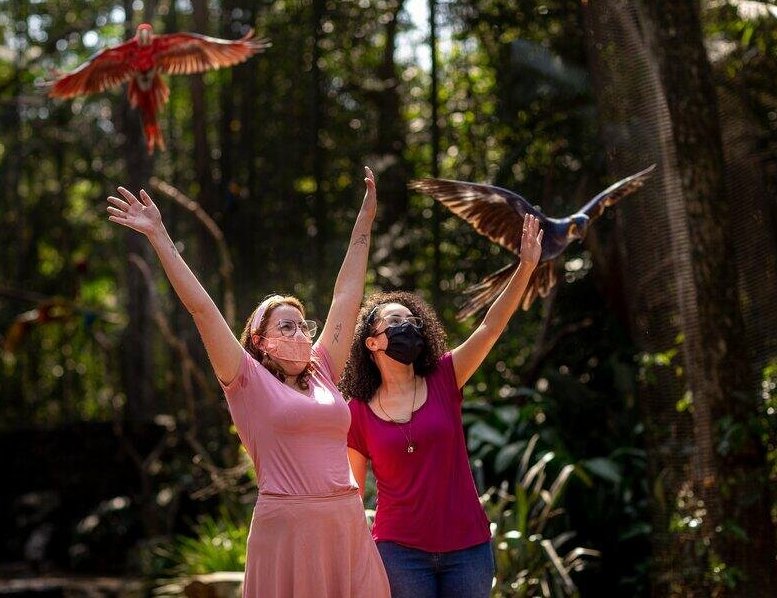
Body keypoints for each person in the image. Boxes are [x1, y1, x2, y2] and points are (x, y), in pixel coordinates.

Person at [106, 167, 390, 597]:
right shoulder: (246, 380)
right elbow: (202, 309)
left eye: (302, 326)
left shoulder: (322, 370)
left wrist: (364, 223)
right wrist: (160, 237)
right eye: (286, 327)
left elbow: (346, 295)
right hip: (289, 532)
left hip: (345, 522)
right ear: (259, 342)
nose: (299, 334)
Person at [340, 214, 544, 597]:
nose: (409, 327)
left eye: (414, 321)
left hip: (468, 547)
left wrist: (526, 267)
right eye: (397, 322)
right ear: (372, 343)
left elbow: (491, 326)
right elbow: (352, 492)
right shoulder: (357, 411)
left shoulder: (445, 377)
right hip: (399, 551)